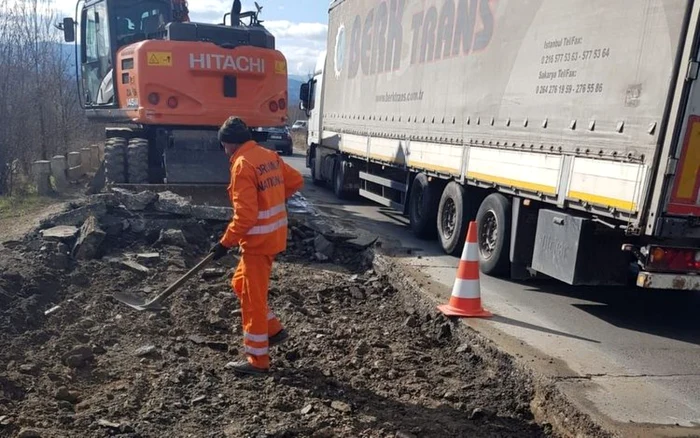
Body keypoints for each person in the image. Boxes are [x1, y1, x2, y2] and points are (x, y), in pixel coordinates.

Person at [210, 116, 304, 375]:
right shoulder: (267, 155)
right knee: (240, 284)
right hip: (272, 236)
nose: (224, 151)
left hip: (257, 243)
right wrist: (270, 199)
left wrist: (224, 243)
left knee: (252, 300)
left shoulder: (242, 165)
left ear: (228, 144)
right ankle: (273, 331)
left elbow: (246, 217)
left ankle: (257, 361)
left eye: (224, 146)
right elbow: (295, 181)